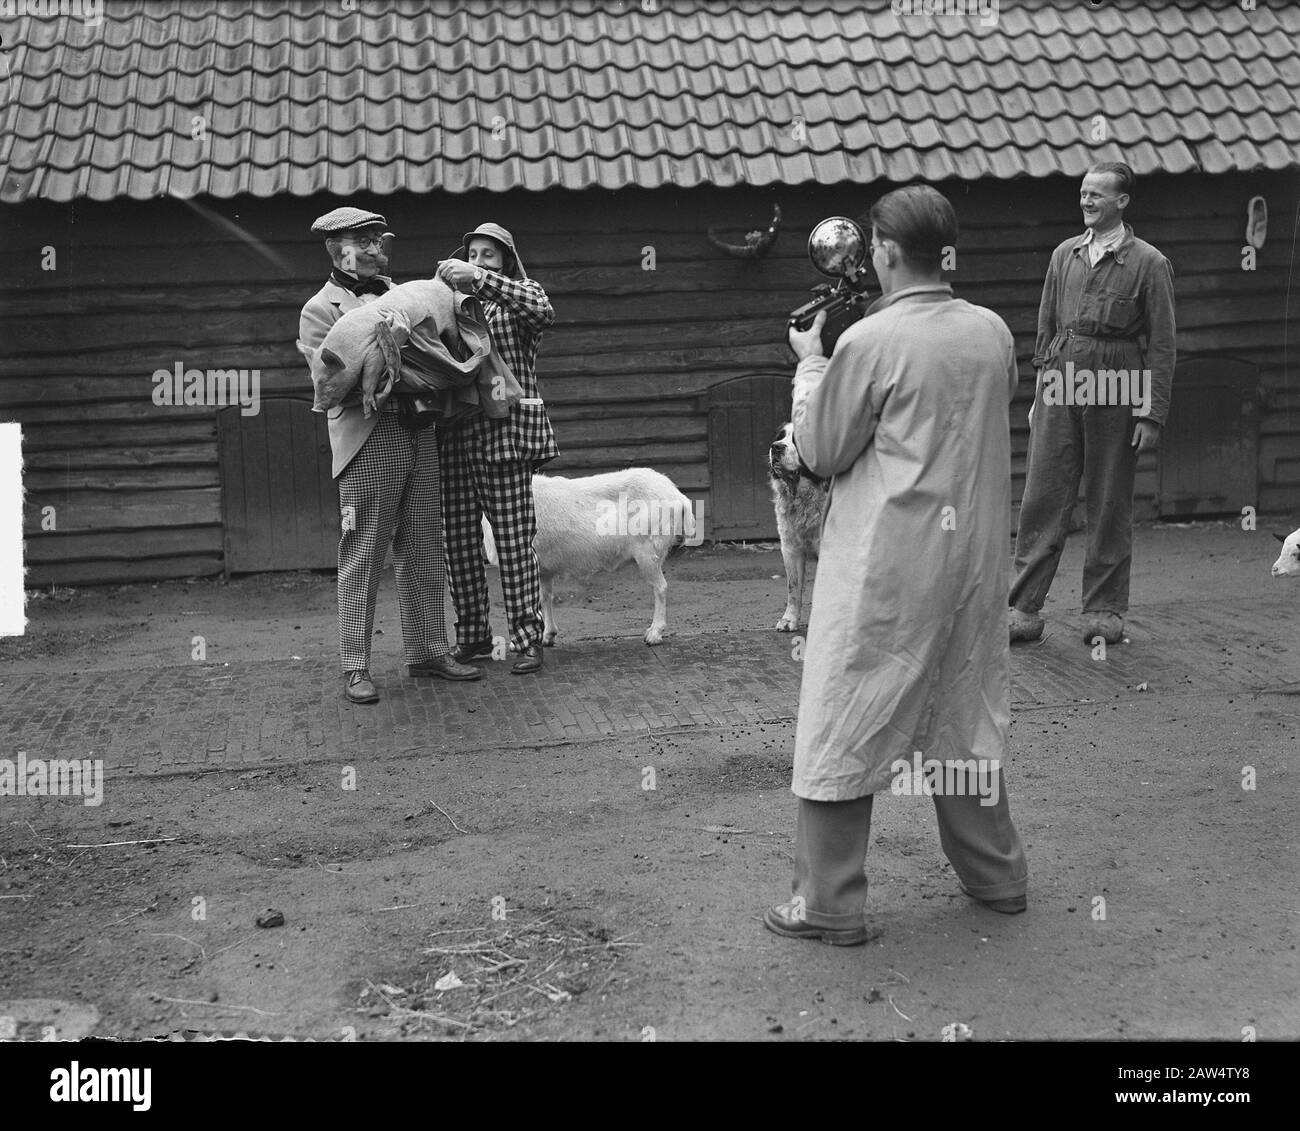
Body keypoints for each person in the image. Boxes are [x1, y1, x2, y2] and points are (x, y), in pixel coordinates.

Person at [765, 185, 1029, 946]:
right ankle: (997, 877)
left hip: (885, 563)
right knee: (963, 713)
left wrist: (812, 364)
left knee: (844, 712)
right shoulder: (991, 331)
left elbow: (819, 451)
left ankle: (829, 903)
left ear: (881, 251)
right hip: (973, 558)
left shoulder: (868, 343)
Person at [298, 205, 479, 704]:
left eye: (381, 241)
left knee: (424, 544)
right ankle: (355, 665)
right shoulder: (320, 310)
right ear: (342, 250)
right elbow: (329, 386)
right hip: (367, 442)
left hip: (418, 433)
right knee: (364, 549)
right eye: (369, 242)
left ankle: (428, 651)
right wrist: (398, 370)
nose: (379, 250)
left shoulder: (404, 296)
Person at [1009, 161, 1176, 645]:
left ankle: (1103, 610)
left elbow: (1162, 345)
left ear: (1122, 201)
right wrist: (1041, 392)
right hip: (1063, 377)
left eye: (1097, 195)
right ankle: (1023, 608)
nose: (1086, 201)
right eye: (1083, 193)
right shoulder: (1065, 255)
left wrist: (1151, 412)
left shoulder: (1149, 262)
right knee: (1043, 494)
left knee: (1108, 498)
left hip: (1119, 379)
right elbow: (1045, 328)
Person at [435, 224, 558, 675]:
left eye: (489, 254)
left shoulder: (521, 295)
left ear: (505, 260)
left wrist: (480, 280)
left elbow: (544, 311)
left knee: (511, 542)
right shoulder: (449, 306)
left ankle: (528, 639)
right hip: (456, 437)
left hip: (505, 437)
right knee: (461, 545)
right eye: (472, 253)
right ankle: (472, 638)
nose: (479, 260)